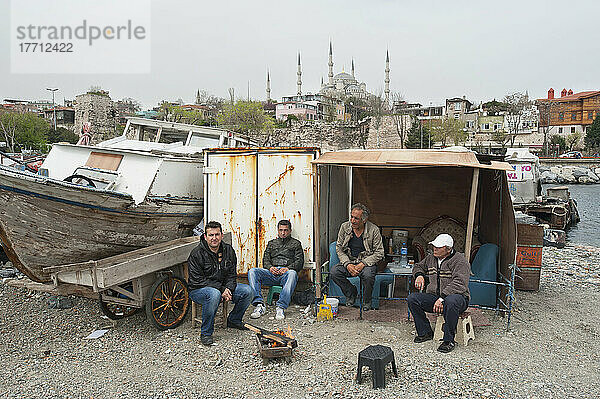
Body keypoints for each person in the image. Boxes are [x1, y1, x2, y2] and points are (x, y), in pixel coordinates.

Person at [188, 221, 252, 346]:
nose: (214, 238)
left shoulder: (228, 250)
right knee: (214, 294)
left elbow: (232, 275)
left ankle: (234, 319)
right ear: (205, 237)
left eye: (217, 234)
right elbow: (197, 280)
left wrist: (228, 288)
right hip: (198, 290)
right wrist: (221, 289)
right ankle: (206, 333)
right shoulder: (197, 253)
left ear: (222, 235)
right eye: (211, 235)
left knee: (247, 291)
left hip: (222, 287)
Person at [407, 233, 471, 353]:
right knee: (412, 298)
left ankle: (449, 340)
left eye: (438, 247)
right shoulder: (431, 258)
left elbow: (460, 283)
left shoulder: (460, 261)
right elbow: (418, 266)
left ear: (448, 249)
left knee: (450, 301)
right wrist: (419, 275)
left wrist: (442, 298)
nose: (434, 249)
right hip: (435, 297)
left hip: (458, 298)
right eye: (434, 246)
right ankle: (425, 332)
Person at [330, 203, 384, 311]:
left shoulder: (374, 230)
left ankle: (367, 300)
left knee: (368, 275)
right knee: (334, 272)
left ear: (364, 220)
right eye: (352, 217)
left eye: (356, 218)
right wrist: (347, 264)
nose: (352, 221)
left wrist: (363, 263)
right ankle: (351, 293)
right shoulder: (345, 227)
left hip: (367, 262)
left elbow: (380, 252)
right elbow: (339, 248)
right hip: (350, 260)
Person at [248, 219, 304, 320]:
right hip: (271, 274)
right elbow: (265, 259)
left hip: (285, 275)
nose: (283, 233)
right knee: (253, 271)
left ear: (290, 231)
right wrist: (270, 267)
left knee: (292, 273)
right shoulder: (272, 243)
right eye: (281, 230)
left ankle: (281, 307)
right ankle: (259, 305)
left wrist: (288, 268)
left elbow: (299, 262)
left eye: (286, 230)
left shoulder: (296, 244)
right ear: (277, 231)